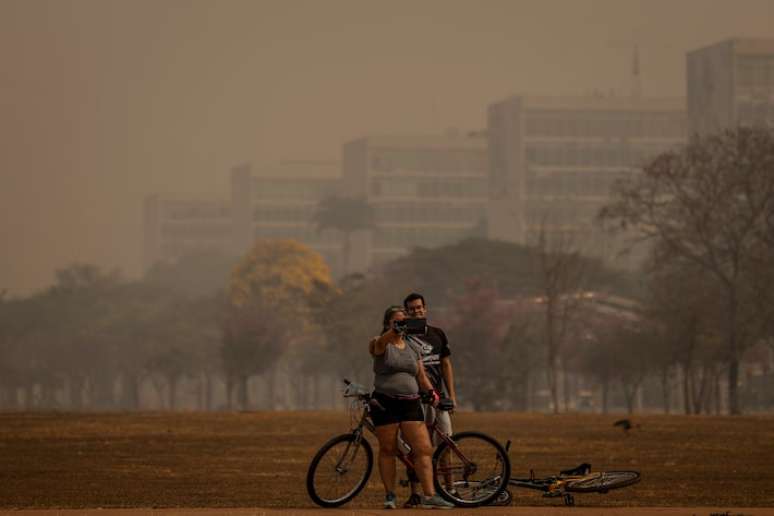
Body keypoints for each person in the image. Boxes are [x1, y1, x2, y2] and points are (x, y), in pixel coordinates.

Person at [369, 305, 454, 510]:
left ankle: (430, 496)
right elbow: (378, 345)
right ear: (388, 324)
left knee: (423, 449)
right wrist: (393, 331)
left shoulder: (412, 346)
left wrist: (435, 395)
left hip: (411, 402)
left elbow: (421, 376)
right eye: (396, 321)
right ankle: (390, 496)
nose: (401, 325)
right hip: (385, 402)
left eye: (403, 321)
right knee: (388, 449)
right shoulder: (380, 343)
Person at [401, 292, 457, 508]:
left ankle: (450, 489)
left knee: (446, 445)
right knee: (415, 448)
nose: (416, 311)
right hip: (414, 400)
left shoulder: (438, 334)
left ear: (425, 308)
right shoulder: (403, 337)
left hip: (438, 398)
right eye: (412, 309)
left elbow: (446, 365)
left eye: (419, 307)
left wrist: (452, 395)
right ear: (407, 312)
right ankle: (415, 494)